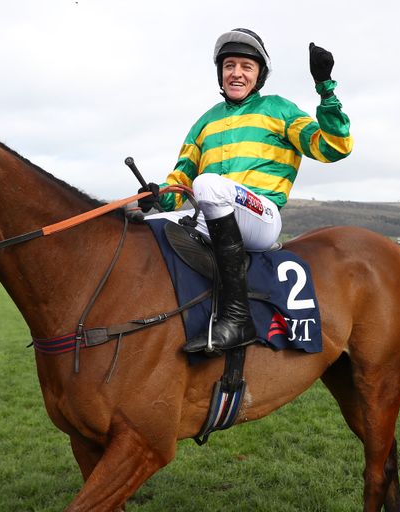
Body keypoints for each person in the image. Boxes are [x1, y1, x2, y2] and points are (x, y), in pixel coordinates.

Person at [139, 28, 353, 353]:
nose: (236, 73)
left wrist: (325, 88)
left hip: (261, 219)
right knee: (147, 226)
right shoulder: (204, 122)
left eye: (246, 66)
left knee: (208, 185)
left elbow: (334, 147)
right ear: (220, 73)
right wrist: (158, 195)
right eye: (229, 66)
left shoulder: (279, 109)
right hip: (211, 215)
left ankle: (238, 320)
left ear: (258, 75)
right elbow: (180, 181)